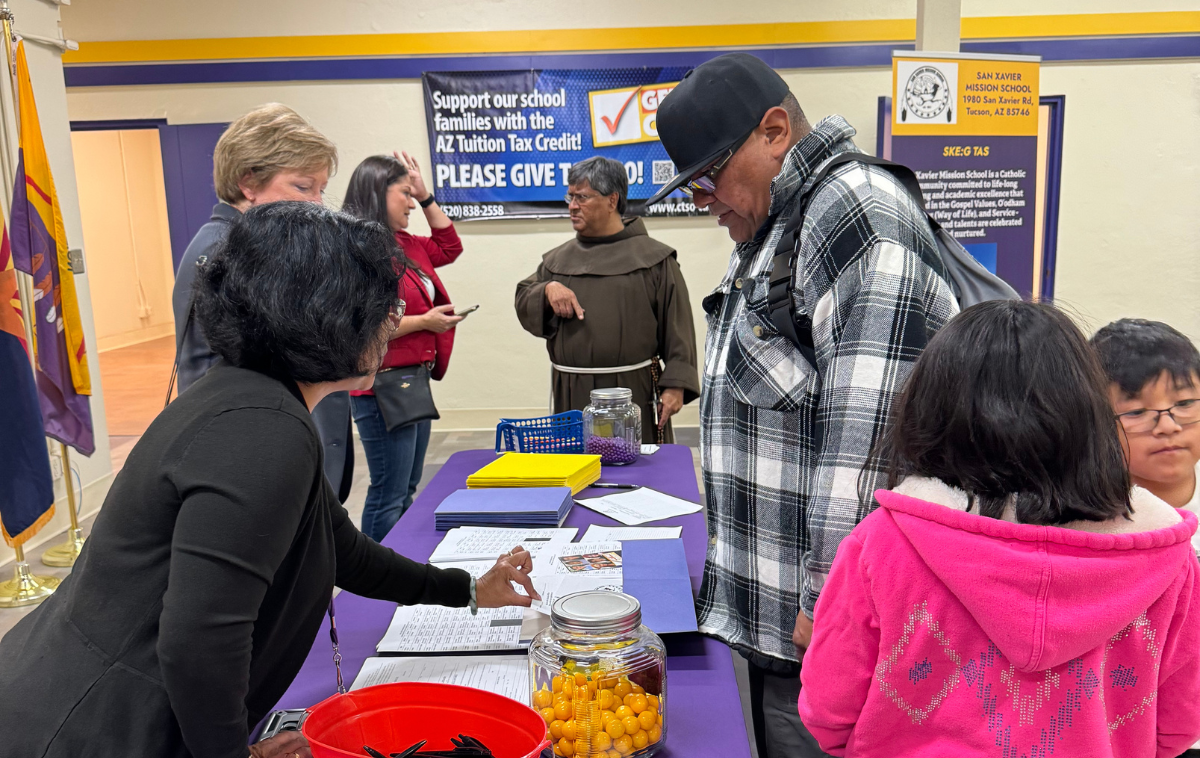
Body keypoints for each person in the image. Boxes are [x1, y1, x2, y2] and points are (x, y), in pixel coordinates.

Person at [0, 203, 539, 758]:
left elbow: (342, 551)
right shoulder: (264, 429)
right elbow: (200, 641)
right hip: (89, 726)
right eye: (385, 306)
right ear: (332, 316)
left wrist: (468, 589)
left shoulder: (252, 399)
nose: (390, 321)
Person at [649, 53, 958, 755]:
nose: (703, 202)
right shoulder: (775, 224)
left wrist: (831, 606)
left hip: (822, 640)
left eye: (707, 179)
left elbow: (869, 443)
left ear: (776, 130)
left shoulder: (856, 214)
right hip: (780, 628)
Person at [796, 300, 1200, 757]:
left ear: (931, 409)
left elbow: (830, 714)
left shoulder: (882, 546)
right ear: (1089, 411)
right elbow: (1177, 727)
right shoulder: (1168, 562)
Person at [170, 103, 357, 503]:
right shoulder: (230, 252)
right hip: (255, 459)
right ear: (247, 183)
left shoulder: (250, 247)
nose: (317, 204)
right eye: (303, 187)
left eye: (321, 189)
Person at [515, 156, 699, 443]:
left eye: (582, 197)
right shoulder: (556, 262)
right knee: (576, 476)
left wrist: (675, 386)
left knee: (638, 476)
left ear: (612, 200)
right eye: (570, 196)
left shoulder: (654, 261)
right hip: (572, 395)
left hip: (631, 394)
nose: (572, 205)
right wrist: (547, 289)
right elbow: (525, 297)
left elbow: (679, 329)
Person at [341, 151, 464, 542]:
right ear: (379, 192)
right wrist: (424, 322)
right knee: (388, 492)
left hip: (412, 378)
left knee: (408, 486)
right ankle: (373, 579)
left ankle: (400, 560)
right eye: (405, 194)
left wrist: (428, 197)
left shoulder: (407, 243)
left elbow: (450, 246)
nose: (411, 203)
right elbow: (363, 326)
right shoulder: (356, 248)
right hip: (380, 385)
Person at [1093, 319, 1200, 758]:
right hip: (1145, 736)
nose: (1168, 425)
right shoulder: (1097, 520)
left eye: (1186, 403)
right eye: (1137, 412)